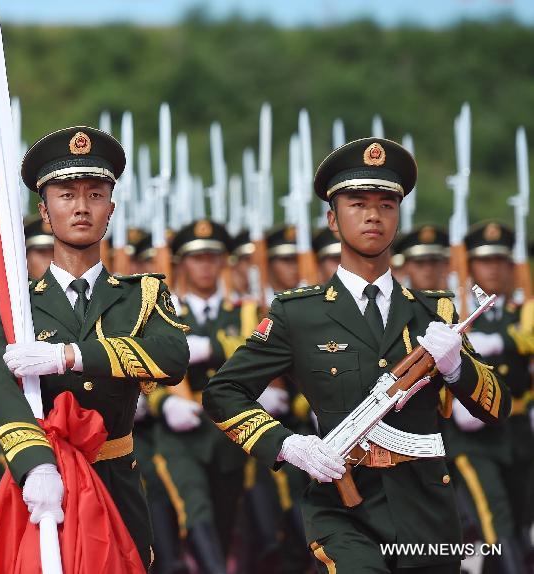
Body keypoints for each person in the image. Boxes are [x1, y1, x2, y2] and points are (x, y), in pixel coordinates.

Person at [203, 137, 511, 573]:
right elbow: (224, 392)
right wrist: (287, 445)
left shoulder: (435, 312)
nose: (373, 215)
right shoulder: (299, 314)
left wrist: (456, 367)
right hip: (344, 510)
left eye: (386, 204)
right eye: (357, 203)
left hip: (427, 510)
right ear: (332, 219)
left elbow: (498, 407)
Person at [0, 126, 190, 569]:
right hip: (43, 482)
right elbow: (2, 393)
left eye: (95, 194)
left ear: (110, 209)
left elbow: (173, 356)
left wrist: (70, 356)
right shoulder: (13, 304)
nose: (80, 207)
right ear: (44, 210)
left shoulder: (143, 294)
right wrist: (35, 465)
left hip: (116, 477)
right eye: (65, 194)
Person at [152, 219, 254, 573]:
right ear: (181, 264)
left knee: (226, 516)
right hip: (180, 436)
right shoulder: (163, 312)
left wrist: (211, 346)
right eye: (197, 258)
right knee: (194, 508)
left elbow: (253, 351)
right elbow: (144, 374)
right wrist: (164, 402)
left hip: (229, 431)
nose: (206, 265)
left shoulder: (244, 311)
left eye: (213, 257)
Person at [441, 221, 533, 571]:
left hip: (517, 431)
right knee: (495, 517)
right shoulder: (455, 312)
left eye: (500, 260)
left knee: (520, 516)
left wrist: (503, 342)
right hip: (472, 437)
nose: (493, 267)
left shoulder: (523, 313)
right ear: (470, 266)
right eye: (484, 260)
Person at [392, 225, 450, 290]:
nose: (428, 269)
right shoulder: (392, 299)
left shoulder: (459, 298)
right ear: (405, 266)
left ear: (444, 264)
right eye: (419, 263)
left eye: (434, 261)